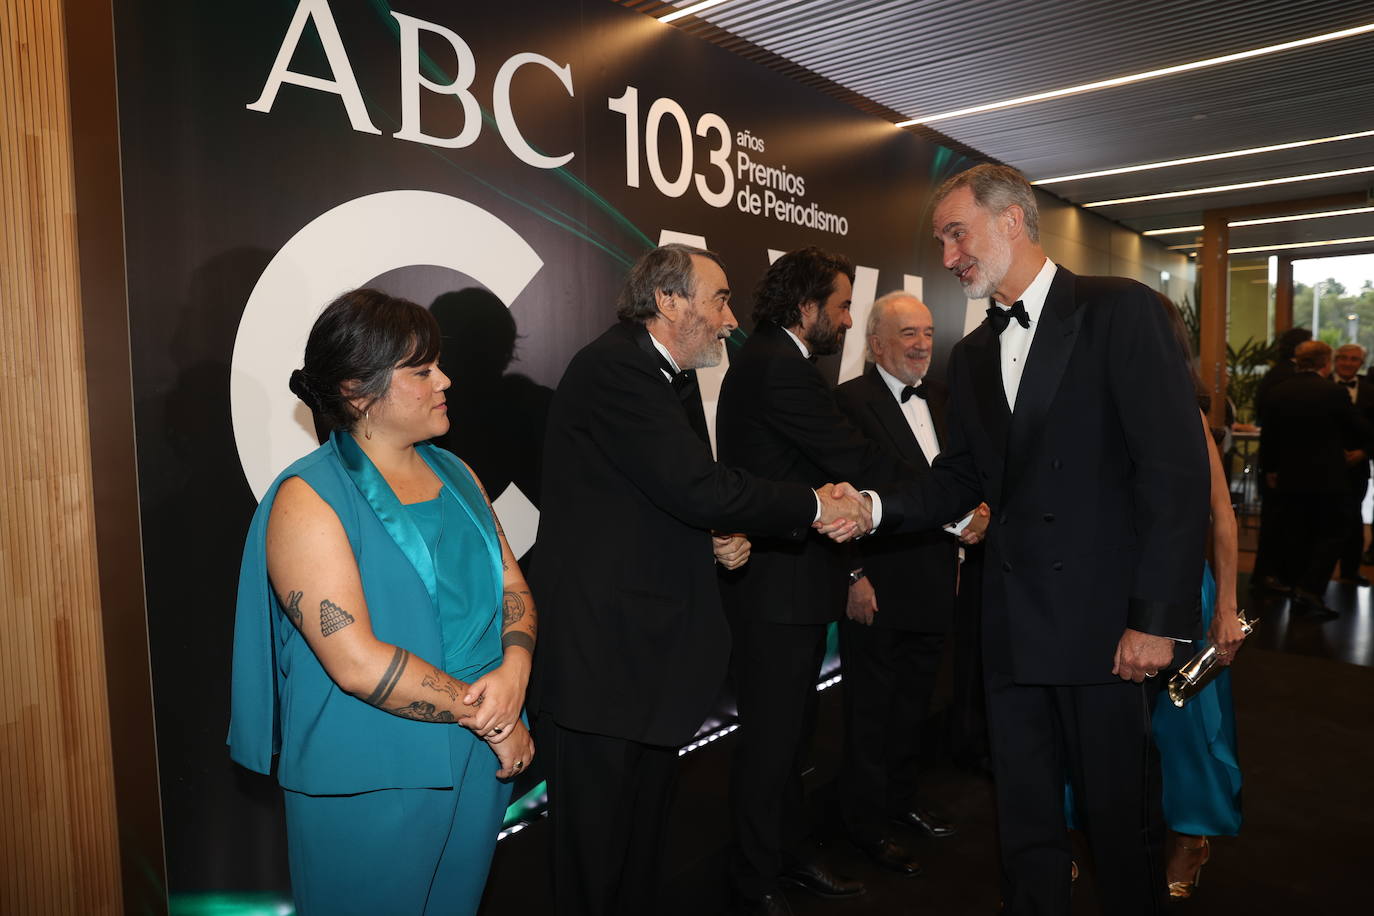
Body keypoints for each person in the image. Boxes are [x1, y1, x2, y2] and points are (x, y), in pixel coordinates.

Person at [825, 164, 1211, 915]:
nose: (947, 256)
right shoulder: (970, 356)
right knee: (1025, 824)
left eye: (955, 233)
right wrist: (870, 508)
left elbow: (1174, 477)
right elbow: (954, 479)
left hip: (1106, 631)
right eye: (941, 239)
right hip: (1010, 626)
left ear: (1012, 221)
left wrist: (1156, 620)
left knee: (1119, 822)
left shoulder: (1122, 311)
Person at [529, 243, 870, 916]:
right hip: (604, 662)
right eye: (717, 299)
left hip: (645, 663)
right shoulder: (616, 370)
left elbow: (656, 496)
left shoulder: (666, 378)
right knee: (593, 859)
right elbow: (696, 486)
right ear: (668, 301)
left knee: (638, 847)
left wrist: (714, 542)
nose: (729, 317)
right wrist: (812, 504)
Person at [228, 289, 537, 915]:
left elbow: (512, 587)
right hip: (370, 773)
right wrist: (493, 718)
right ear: (357, 390)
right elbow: (357, 662)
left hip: (478, 759)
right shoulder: (307, 499)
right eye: (421, 371)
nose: (445, 380)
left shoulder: (457, 472)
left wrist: (516, 674)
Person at [715, 247, 918, 914]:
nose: (847, 317)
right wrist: (940, 492)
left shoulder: (778, 362)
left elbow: (813, 467)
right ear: (806, 309)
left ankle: (783, 856)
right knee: (771, 743)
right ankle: (756, 881)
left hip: (790, 584)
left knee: (790, 736)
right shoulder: (780, 367)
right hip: (777, 590)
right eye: (839, 306)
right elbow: (849, 454)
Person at [833, 291, 988, 874]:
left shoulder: (944, 400)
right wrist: (852, 575)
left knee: (914, 707)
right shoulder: (848, 403)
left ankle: (901, 805)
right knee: (870, 716)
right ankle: (864, 827)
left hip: (936, 582)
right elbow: (836, 492)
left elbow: (965, 479)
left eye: (926, 332)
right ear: (876, 343)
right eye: (907, 334)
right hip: (878, 585)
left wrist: (983, 512)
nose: (923, 344)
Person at [1259, 340, 1374, 616]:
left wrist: (1271, 470)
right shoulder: (1333, 392)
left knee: (1297, 532)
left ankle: (1295, 585)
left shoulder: (1278, 391)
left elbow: (1269, 436)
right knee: (1334, 532)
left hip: (1289, 476)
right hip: (1328, 477)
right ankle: (1310, 590)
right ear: (1327, 363)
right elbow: (1359, 429)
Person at [1331, 343, 1374, 584]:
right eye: (1343, 358)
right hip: (1325, 466)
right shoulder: (1322, 386)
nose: (1348, 363)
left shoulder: (1370, 391)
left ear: (1361, 364)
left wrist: (1364, 452)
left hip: (1358, 467)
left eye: (1354, 359)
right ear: (1335, 360)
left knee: (1354, 520)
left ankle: (1350, 571)